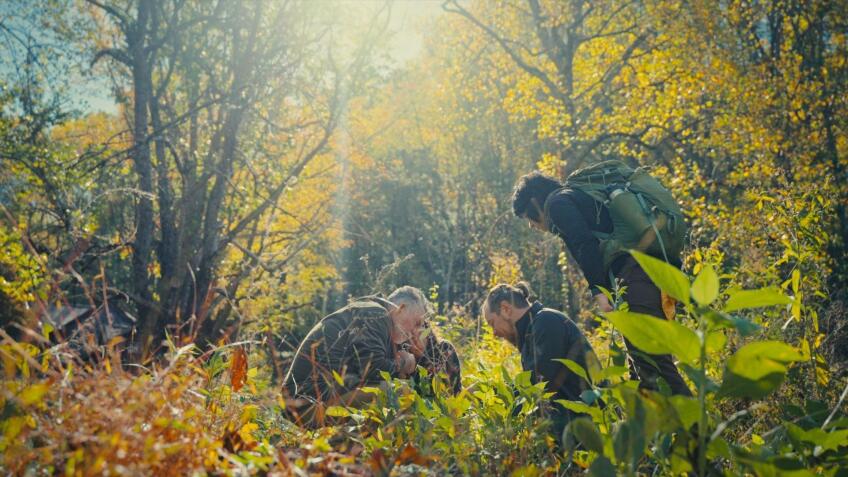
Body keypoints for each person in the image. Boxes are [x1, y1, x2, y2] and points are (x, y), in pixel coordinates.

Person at [512, 170, 692, 396]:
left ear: (534, 203)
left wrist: (599, 290)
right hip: (648, 277)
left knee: (653, 364)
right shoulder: (572, 197)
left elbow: (584, 244)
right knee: (641, 368)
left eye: (528, 218)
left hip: (636, 277)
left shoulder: (557, 204)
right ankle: (662, 427)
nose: (531, 225)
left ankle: (698, 429)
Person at [283, 286, 431, 427]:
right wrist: (404, 363)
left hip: (311, 405)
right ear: (401, 308)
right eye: (417, 322)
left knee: (398, 391)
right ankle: (346, 448)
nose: (415, 331)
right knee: (397, 391)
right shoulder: (376, 313)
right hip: (306, 409)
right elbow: (372, 371)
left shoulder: (379, 321)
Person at [482, 281, 598, 442]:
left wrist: (488, 393)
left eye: (491, 323)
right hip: (574, 426)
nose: (494, 333)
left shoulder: (546, 321)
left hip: (589, 427)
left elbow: (538, 384)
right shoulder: (532, 331)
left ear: (506, 309)